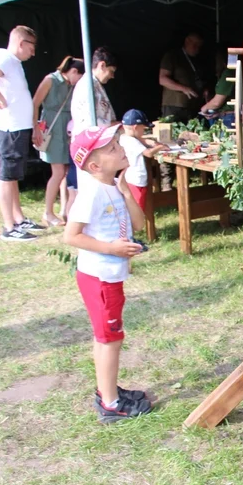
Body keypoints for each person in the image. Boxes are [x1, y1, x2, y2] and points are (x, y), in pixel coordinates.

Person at [63, 124, 152, 423]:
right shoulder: (91, 194)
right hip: (99, 278)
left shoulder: (112, 188)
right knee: (109, 338)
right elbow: (71, 237)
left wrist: (126, 190)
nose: (121, 148)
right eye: (113, 148)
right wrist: (111, 249)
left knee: (108, 337)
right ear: (94, 165)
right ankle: (111, 404)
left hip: (110, 277)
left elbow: (139, 224)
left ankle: (108, 389)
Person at [0, 25, 46, 241]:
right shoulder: (5, 59)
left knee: (13, 175)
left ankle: (18, 218)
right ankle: (9, 227)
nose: (33, 53)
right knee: (7, 176)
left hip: (17, 127)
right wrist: (0, 98)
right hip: (9, 128)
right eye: (31, 47)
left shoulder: (13, 63)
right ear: (21, 43)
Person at [32, 56, 85, 226]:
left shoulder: (71, 85)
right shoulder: (50, 80)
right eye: (79, 76)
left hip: (67, 129)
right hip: (52, 128)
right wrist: (35, 129)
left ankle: (64, 209)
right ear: (74, 71)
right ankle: (48, 212)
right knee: (58, 171)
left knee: (67, 169)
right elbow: (35, 104)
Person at [70, 46, 118, 206]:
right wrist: (117, 126)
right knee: (92, 191)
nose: (112, 76)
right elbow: (93, 123)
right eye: (111, 71)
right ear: (102, 65)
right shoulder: (88, 86)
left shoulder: (94, 84)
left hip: (95, 144)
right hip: (91, 146)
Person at [119, 109, 168, 212]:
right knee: (137, 209)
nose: (143, 132)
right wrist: (161, 147)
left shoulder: (124, 137)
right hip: (137, 180)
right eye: (143, 129)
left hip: (130, 178)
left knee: (132, 207)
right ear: (135, 127)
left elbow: (140, 139)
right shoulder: (132, 142)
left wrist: (150, 143)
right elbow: (148, 153)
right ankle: (135, 226)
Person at [159, 32, 205, 123]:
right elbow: (162, 79)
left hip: (192, 107)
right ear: (187, 41)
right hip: (174, 106)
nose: (197, 49)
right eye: (195, 45)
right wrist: (183, 88)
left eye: (199, 46)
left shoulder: (197, 60)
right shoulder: (172, 56)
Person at [200, 51, 236, 129]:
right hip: (228, 116)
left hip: (230, 118)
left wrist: (204, 108)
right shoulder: (230, 72)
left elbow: (217, 102)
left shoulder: (229, 73)